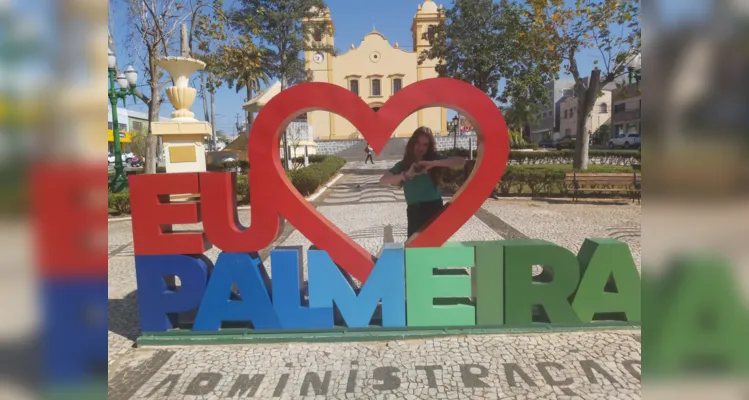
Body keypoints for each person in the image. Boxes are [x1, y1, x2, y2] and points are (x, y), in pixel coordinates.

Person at [379, 127, 466, 238]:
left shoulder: (434, 159)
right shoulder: (404, 164)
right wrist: (406, 175)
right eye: (418, 143)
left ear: (429, 147)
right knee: (415, 249)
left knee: (436, 245)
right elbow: (383, 180)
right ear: (412, 144)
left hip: (435, 208)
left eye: (425, 145)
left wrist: (434, 163)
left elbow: (461, 161)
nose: (421, 147)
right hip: (415, 211)